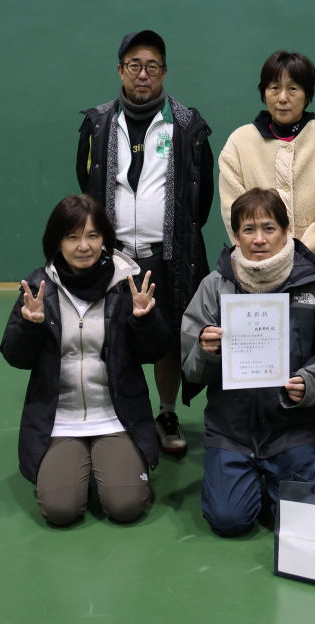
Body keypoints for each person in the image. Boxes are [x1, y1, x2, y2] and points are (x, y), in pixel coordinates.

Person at [181, 187, 315, 536]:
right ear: (236, 235)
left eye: (269, 228)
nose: (259, 239)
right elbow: (190, 366)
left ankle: (304, 457)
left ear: (286, 231)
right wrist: (205, 349)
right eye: (248, 229)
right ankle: (247, 477)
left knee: (298, 524)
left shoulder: (313, 285)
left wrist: (309, 382)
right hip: (231, 430)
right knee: (229, 521)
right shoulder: (215, 286)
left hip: (292, 429)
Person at [75, 30, 214, 457]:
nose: (142, 74)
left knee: (167, 339)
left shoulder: (188, 125)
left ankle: (166, 413)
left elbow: (202, 198)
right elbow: (86, 183)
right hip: (113, 259)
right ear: (120, 70)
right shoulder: (97, 124)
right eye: (134, 65)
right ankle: (120, 417)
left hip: (165, 258)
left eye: (152, 66)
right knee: (113, 338)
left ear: (164, 72)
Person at [0, 194, 167, 526]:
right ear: (57, 242)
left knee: (125, 507)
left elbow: (155, 352)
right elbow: (15, 357)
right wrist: (30, 326)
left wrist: (144, 320)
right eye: (72, 236)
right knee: (60, 511)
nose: (84, 246)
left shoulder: (127, 286)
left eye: (92, 235)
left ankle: (115, 463)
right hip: (60, 419)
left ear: (105, 238)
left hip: (116, 416)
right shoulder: (38, 289)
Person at [218, 51, 315, 306]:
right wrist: (270, 265)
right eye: (274, 88)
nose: (282, 98)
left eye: (293, 89)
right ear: (264, 92)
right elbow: (233, 213)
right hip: (256, 278)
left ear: (307, 93)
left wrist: (299, 265)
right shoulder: (239, 143)